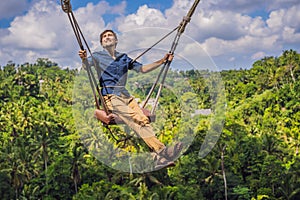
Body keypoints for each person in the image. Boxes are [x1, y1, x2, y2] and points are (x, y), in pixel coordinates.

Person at [78, 29, 182, 169]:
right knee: (136, 117)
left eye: (110, 36)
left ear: (116, 41)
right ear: (102, 43)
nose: (107, 37)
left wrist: (162, 61)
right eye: (104, 37)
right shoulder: (97, 56)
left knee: (142, 121)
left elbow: (143, 69)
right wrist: (84, 59)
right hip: (110, 96)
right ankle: (161, 151)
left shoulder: (123, 58)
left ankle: (157, 157)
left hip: (126, 96)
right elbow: (86, 66)